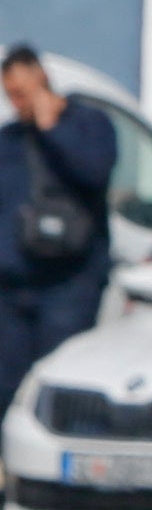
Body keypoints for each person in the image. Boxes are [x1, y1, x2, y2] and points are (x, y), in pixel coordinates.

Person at [0, 45, 115, 423]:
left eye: (23, 93)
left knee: (59, 388)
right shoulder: (9, 142)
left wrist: (53, 128)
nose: (18, 103)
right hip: (14, 291)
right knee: (9, 390)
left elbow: (94, 172)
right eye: (10, 94)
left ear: (43, 81)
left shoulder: (89, 126)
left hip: (70, 287)